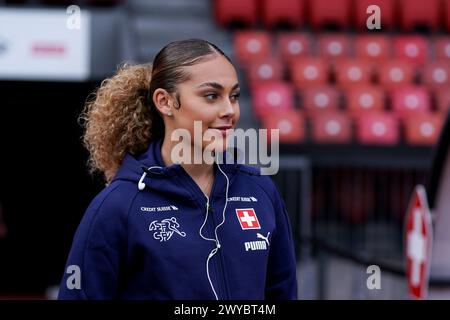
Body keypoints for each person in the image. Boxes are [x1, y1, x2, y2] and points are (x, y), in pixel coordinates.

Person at [58, 39, 297, 300]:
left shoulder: (261, 190)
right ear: (165, 102)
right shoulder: (117, 206)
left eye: (234, 96)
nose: (230, 110)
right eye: (211, 96)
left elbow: (282, 292)